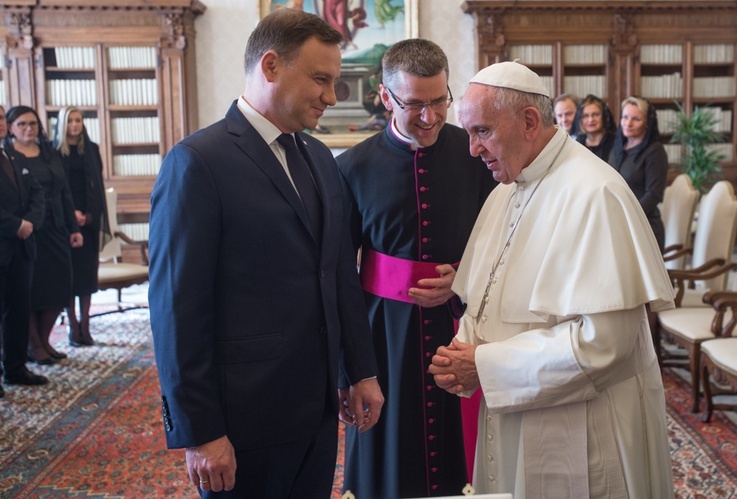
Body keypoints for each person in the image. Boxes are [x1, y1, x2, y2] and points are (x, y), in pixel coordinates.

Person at [148, 9, 383, 498]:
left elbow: (338, 272)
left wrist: (358, 369)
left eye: (335, 81)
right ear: (271, 65)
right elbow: (176, 311)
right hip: (241, 422)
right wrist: (200, 430)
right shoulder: (196, 163)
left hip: (317, 414)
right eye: (321, 79)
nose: (331, 96)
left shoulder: (319, 158)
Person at [428, 61, 675, 498]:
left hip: (579, 428)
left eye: (482, 131)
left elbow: (603, 345)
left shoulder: (595, 193)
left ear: (528, 121)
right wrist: (464, 353)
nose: (472, 149)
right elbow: (482, 296)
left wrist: (484, 364)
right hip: (511, 409)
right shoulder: (507, 187)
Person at [337, 39, 497, 498]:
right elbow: (340, 276)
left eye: (440, 101)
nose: (430, 117)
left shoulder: (478, 156)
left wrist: (463, 275)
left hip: (464, 325)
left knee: (463, 457)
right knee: (391, 456)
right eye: (414, 105)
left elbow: (509, 237)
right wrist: (349, 369)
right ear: (386, 97)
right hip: (385, 336)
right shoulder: (352, 168)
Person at [4, 106, 83, 366]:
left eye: (33, 124)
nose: (29, 129)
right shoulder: (9, 155)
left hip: (55, 228)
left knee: (59, 286)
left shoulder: (49, 153)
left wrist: (73, 227)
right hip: (25, 232)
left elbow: (65, 192)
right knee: (29, 291)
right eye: (22, 124)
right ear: (12, 128)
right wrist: (26, 224)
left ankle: (44, 340)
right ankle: (33, 345)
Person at [0, 105, 48, 394]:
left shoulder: (12, 155)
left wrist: (30, 222)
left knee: (18, 310)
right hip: (4, 242)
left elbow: (37, 193)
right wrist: (15, 224)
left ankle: (15, 369)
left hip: (22, 247)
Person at [54, 106, 110, 347]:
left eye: (78, 120)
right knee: (68, 277)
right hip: (64, 223)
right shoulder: (54, 151)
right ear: (62, 124)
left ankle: (86, 324)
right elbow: (55, 189)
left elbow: (97, 185)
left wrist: (88, 214)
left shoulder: (92, 149)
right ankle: (72, 325)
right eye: (70, 121)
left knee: (87, 277)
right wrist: (71, 215)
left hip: (88, 220)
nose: (74, 125)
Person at [608, 96, 669, 252]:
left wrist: (627, 216)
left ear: (647, 123)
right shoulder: (618, 149)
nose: (628, 123)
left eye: (636, 119)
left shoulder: (655, 151)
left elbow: (653, 195)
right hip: (618, 224)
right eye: (625, 117)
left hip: (644, 227)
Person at [570, 94, 616, 161]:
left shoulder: (615, 143)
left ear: (604, 117)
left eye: (595, 114)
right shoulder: (577, 145)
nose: (591, 120)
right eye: (585, 116)